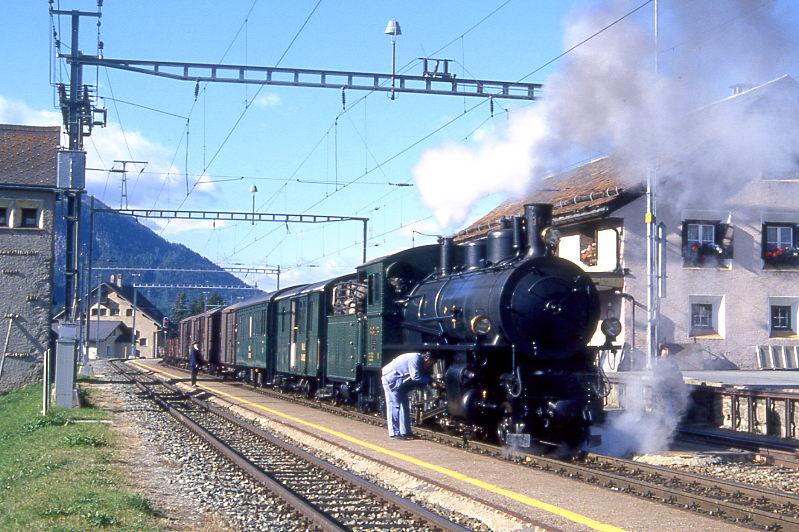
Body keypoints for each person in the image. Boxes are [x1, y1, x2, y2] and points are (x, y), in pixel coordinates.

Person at [381, 352, 436, 439]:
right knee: (394, 406)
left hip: (400, 382)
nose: (429, 365)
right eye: (430, 362)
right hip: (391, 380)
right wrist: (429, 381)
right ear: (426, 358)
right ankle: (394, 433)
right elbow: (415, 377)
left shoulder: (419, 360)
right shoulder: (415, 358)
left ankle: (406, 432)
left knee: (405, 406)